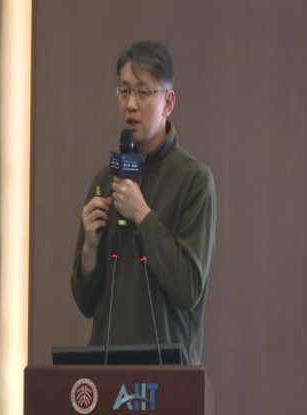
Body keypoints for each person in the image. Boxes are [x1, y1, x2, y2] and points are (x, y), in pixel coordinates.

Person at [70, 41, 217, 365]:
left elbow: (189, 288)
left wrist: (142, 215)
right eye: (124, 92)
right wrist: (89, 250)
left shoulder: (194, 181)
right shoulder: (105, 181)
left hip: (167, 375)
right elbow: (85, 303)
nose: (131, 104)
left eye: (143, 92)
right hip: (106, 371)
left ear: (168, 102)